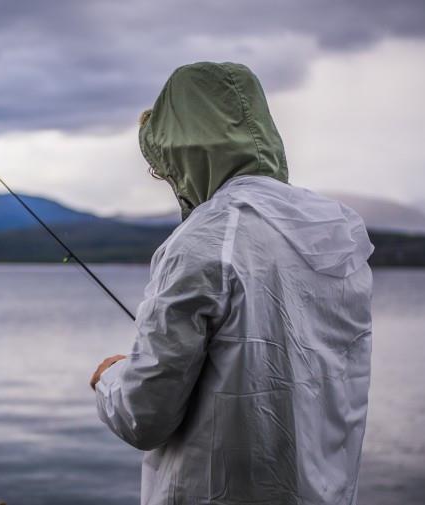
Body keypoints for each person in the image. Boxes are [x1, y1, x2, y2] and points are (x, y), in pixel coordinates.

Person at [90, 62, 374, 505]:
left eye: (166, 170)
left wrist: (111, 378)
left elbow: (144, 416)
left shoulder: (204, 239)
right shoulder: (337, 233)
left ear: (187, 155)